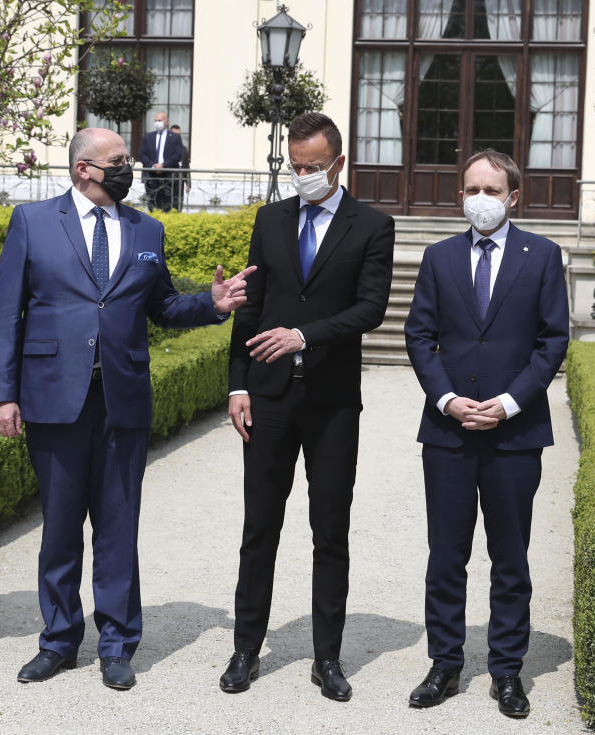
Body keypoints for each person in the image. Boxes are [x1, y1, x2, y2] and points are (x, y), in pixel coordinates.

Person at [0, 127, 255, 690]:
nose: (127, 168)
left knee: (117, 527)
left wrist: (212, 304)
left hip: (122, 401)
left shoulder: (145, 228)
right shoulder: (32, 224)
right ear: (84, 168)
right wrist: (1, 394)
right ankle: (58, 641)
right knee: (59, 527)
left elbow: (162, 306)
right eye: (118, 161)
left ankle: (116, 644)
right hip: (54, 398)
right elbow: (7, 314)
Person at [221, 112, 395, 701]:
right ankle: (246, 649)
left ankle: (327, 657)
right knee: (258, 527)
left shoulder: (372, 225)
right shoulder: (270, 220)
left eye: (313, 167)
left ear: (339, 164)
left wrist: (305, 335)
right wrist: (236, 385)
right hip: (267, 397)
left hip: (331, 402)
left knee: (330, 532)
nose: (302, 176)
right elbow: (251, 306)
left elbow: (371, 309)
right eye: (295, 166)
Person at [403, 150, 569, 718]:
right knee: (446, 555)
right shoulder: (438, 256)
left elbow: (553, 341)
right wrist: (447, 399)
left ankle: (507, 671)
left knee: (510, 557)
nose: (481, 198)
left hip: (513, 435)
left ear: (512, 197)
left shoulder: (543, 256)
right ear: (461, 196)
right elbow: (419, 335)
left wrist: (506, 403)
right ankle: (445, 664)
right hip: (447, 432)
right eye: (471, 188)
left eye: (492, 190)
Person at [138, 110, 183, 212]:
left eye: (160, 120)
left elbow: (178, 154)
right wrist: (153, 166)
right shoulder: (148, 137)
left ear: (166, 122)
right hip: (151, 175)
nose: (157, 122)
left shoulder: (175, 137)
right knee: (153, 202)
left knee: (167, 202)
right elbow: (142, 154)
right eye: (155, 120)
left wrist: (164, 165)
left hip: (168, 175)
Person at [169, 124, 191, 212]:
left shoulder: (183, 149)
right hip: (167, 180)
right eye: (175, 135)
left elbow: (186, 166)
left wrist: (188, 183)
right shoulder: (165, 149)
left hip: (180, 180)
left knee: (178, 203)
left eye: (179, 135)